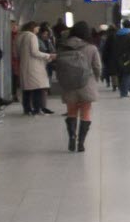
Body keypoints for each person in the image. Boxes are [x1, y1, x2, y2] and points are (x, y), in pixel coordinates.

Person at [55, 22, 101, 152]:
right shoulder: (91, 48)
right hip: (86, 83)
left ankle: (72, 138)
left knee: (71, 111)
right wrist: (96, 79)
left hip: (69, 84)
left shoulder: (63, 46)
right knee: (86, 112)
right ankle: (81, 143)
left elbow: (58, 65)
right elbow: (97, 66)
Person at [18, 22, 54, 115]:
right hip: (34, 66)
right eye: (37, 28)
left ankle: (27, 109)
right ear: (32, 28)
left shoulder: (19, 36)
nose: (37, 30)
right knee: (38, 88)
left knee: (26, 89)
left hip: (23, 65)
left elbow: (16, 53)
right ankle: (37, 109)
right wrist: (48, 55)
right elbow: (35, 52)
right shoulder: (32, 36)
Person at [111, 19, 130, 97]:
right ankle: (124, 92)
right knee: (128, 74)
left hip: (118, 57)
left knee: (124, 74)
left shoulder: (117, 34)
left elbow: (114, 46)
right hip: (129, 57)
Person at [35, 22, 57, 115]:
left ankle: (42, 106)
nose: (46, 36)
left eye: (47, 34)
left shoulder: (47, 41)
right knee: (41, 87)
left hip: (48, 64)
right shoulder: (36, 41)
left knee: (45, 85)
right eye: (45, 34)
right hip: (40, 64)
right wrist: (49, 54)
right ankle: (40, 106)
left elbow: (52, 49)